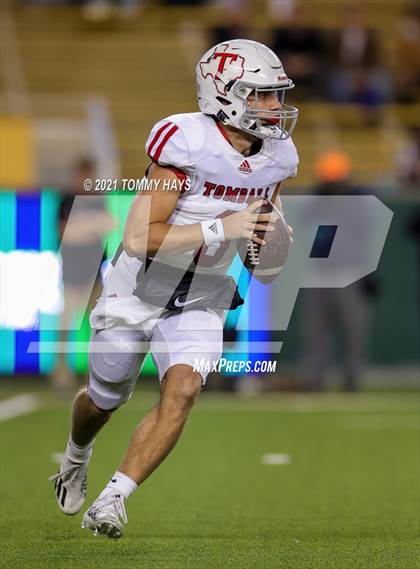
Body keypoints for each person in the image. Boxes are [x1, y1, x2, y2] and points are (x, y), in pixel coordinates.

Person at [49, 39, 299, 539]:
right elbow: (140, 238)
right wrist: (222, 228)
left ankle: (114, 497)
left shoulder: (278, 157)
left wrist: (272, 244)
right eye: (261, 96)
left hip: (204, 288)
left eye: (276, 96)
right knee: (104, 398)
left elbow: (263, 247)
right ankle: (76, 457)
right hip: (139, 284)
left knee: (184, 386)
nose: (274, 108)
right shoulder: (184, 142)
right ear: (224, 94)